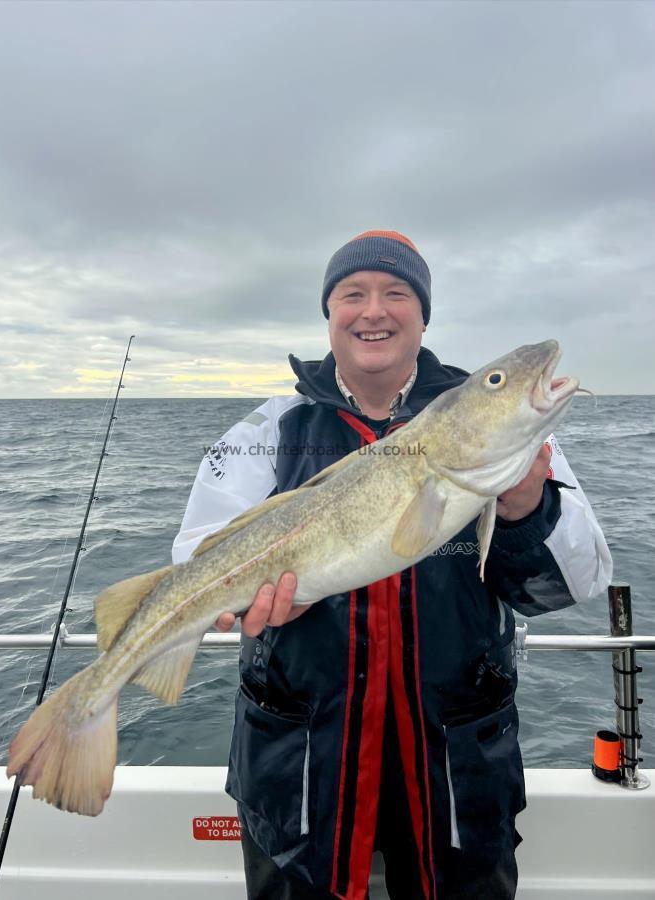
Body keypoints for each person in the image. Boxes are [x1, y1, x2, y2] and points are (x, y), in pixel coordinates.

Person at [173, 231, 612, 900]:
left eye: (395, 293)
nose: (372, 310)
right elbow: (196, 557)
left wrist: (524, 505)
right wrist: (246, 607)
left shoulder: (506, 434)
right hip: (301, 766)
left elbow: (574, 582)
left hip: (455, 767)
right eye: (352, 293)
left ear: (423, 315)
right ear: (329, 315)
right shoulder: (265, 430)